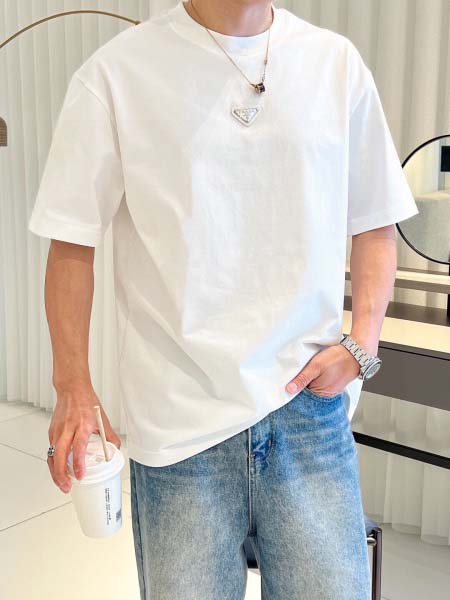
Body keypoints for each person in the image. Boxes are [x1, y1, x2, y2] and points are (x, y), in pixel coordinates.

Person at [28, 1, 419, 598]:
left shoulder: (334, 64)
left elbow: (375, 220)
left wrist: (363, 342)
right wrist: (72, 386)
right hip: (179, 422)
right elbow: (71, 241)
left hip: (307, 410)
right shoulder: (117, 73)